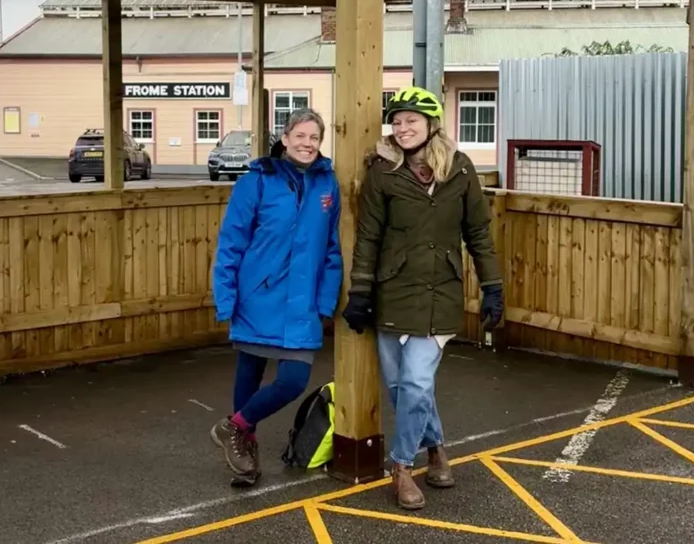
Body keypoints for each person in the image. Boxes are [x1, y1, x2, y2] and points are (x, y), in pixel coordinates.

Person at [341, 87, 503, 510]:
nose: (402, 128)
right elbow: (369, 237)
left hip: (440, 294)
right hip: (393, 293)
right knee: (404, 388)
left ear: (432, 125)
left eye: (410, 120)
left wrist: (492, 287)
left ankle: (400, 468)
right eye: (396, 122)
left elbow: (479, 234)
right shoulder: (383, 172)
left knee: (414, 382)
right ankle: (437, 449)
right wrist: (359, 292)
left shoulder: (461, 171)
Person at [210, 108, 343, 483]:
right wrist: (226, 296)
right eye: (300, 136)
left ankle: (233, 427)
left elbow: (332, 249)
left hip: (302, 303)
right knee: (249, 371)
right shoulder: (257, 181)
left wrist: (325, 301)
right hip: (256, 297)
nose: (307, 144)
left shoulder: (328, 184)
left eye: (314, 138)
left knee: (293, 380)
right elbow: (232, 242)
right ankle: (244, 456)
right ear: (285, 139)